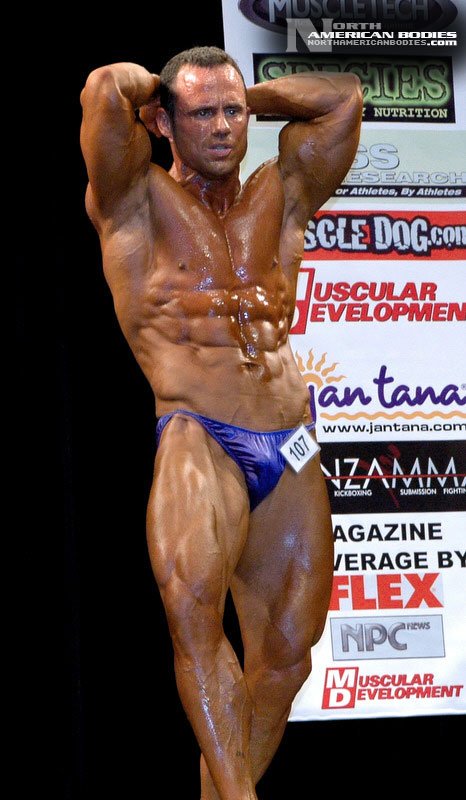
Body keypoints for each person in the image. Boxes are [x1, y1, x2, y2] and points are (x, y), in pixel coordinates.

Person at [80, 47, 363, 800]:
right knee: (195, 619)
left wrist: (246, 94)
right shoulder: (132, 199)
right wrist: (163, 91)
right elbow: (105, 87)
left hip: (289, 440)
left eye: (231, 112)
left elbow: (342, 98)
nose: (222, 126)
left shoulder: (284, 191)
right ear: (162, 121)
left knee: (289, 656)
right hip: (199, 435)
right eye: (201, 113)